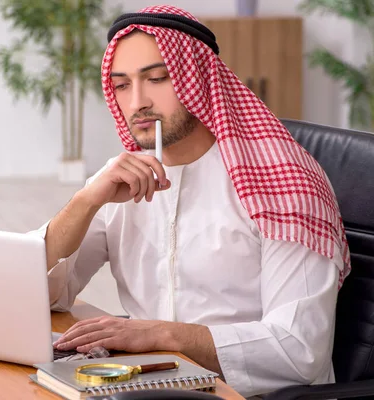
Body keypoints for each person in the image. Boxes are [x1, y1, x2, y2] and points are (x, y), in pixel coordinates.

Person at [32, 5, 351, 398]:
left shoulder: (283, 185)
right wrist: (84, 202)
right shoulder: (122, 180)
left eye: (157, 78)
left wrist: (160, 334)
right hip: (151, 381)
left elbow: (299, 351)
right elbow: (43, 293)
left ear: (197, 78)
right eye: (122, 86)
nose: (137, 103)